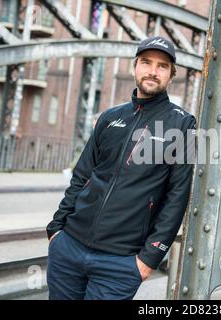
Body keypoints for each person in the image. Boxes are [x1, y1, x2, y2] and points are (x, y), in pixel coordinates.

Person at [46, 36, 196, 300]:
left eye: (162, 66)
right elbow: (82, 174)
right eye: (146, 62)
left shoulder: (183, 125)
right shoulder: (110, 117)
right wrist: (57, 229)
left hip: (120, 262)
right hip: (68, 247)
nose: (152, 71)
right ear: (135, 66)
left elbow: (178, 196)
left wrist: (149, 258)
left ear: (171, 75)